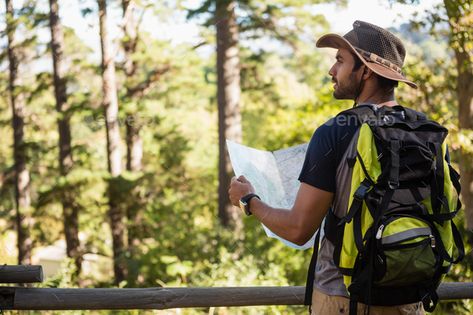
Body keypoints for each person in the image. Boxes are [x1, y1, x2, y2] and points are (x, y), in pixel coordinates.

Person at [228, 21, 426, 315]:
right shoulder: (425, 131)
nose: (332, 71)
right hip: (409, 298)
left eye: (340, 61)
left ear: (366, 70)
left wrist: (249, 200)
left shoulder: (335, 131)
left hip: (343, 298)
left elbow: (298, 230)